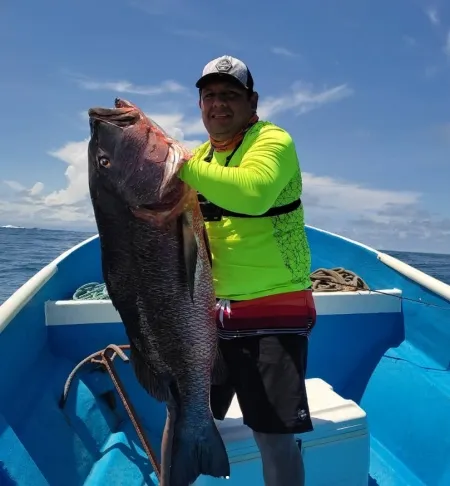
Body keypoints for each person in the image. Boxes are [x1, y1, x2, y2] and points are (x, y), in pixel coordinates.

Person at [178, 55, 317, 486]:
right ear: (200, 104)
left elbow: (255, 194)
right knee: (183, 416)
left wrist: (170, 163)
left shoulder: (273, 141)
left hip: (274, 307)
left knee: (272, 437)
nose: (218, 104)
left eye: (229, 95)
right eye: (210, 96)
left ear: (251, 100)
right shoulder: (201, 156)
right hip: (210, 313)